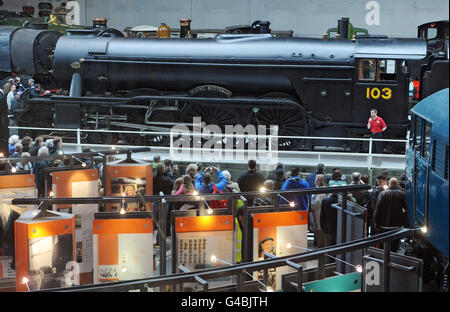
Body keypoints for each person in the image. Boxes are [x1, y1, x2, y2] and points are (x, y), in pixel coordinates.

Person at [374, 178, 409, 252]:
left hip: (383, 225)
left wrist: (376, 222)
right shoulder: (402, 194)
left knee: (383, 245)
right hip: (397, 226)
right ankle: (392, 260)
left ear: (389, 184)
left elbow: (378, 209)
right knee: (394, 247)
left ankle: (384, 260)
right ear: (397, 185)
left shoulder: (382, 194)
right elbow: (407, 209)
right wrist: (404, 220)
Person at [310, 174, 328, 248]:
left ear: (321, 181)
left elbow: (317, 202)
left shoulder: (322, 191)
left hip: (318, 211)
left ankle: (321, 245)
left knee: (319, 228)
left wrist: (309, 205)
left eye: (317, 179)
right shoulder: (319, 189)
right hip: (316, 211)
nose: (315, 181)